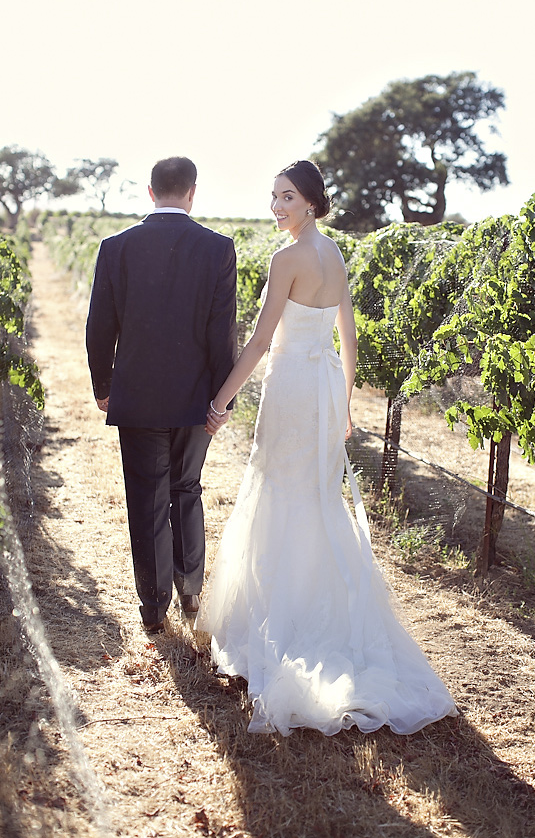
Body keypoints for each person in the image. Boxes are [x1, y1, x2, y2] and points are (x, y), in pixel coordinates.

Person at [196, 160, 457, 736]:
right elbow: (348, 331)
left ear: (311, 201)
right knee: (313, 496)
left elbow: (263, 340)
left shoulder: (285, 259)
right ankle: (318, 606)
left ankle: (279, 620)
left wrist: (219, 401)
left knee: (280, 491)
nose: (277, 207)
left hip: (292, 386)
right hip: (320, 387)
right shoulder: (335, 254)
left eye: (287, 197)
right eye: (273, 197)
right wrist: (342, 402)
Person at [86, 156, 237, 634]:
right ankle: (191, 590)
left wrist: (104, 384)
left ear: (150, 192)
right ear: (192, 193)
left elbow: (99, 327)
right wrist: (221, 399)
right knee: (187, 489)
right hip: (196, 399)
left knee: (146, 498)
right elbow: (222, 334)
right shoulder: (218, 249)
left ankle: (153, 608)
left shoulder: (116, 247)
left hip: (139, 397)